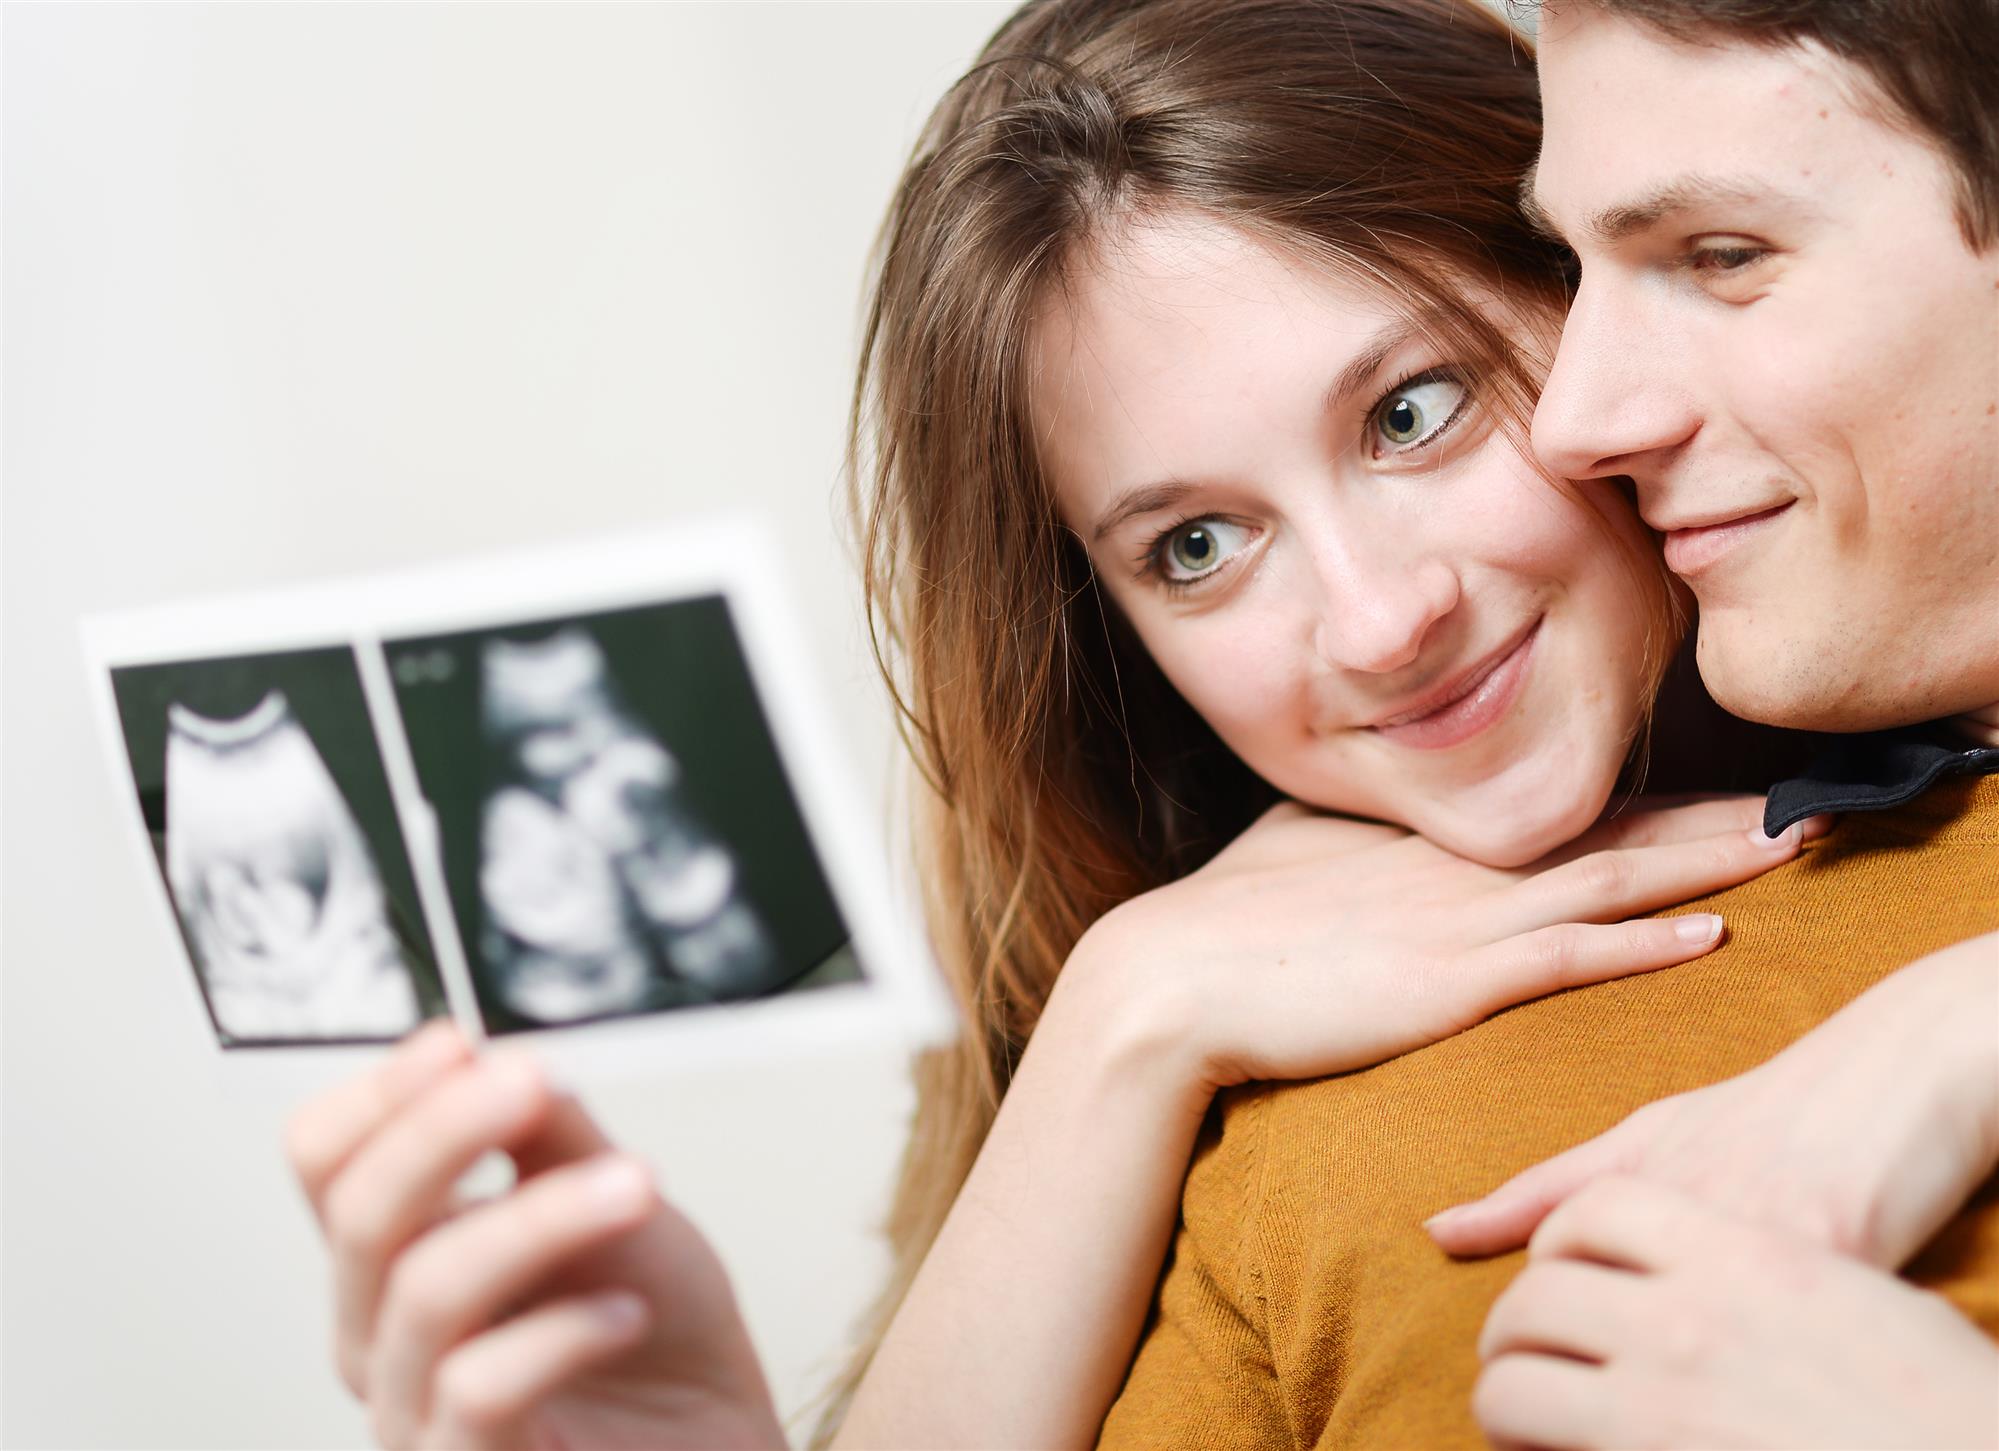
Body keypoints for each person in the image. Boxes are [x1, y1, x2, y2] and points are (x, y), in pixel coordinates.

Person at [278, 1, 1995, 1447]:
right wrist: (1120, 1026)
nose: (1382, 621)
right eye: (1194, 547)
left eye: (1414, 411)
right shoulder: (1217, 1149)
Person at [1096, 1, 1999, 1447]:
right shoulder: (1294, 1115)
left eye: (1723, 257)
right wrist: (1116, 1022)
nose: (1586, 417)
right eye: (1193, 543)